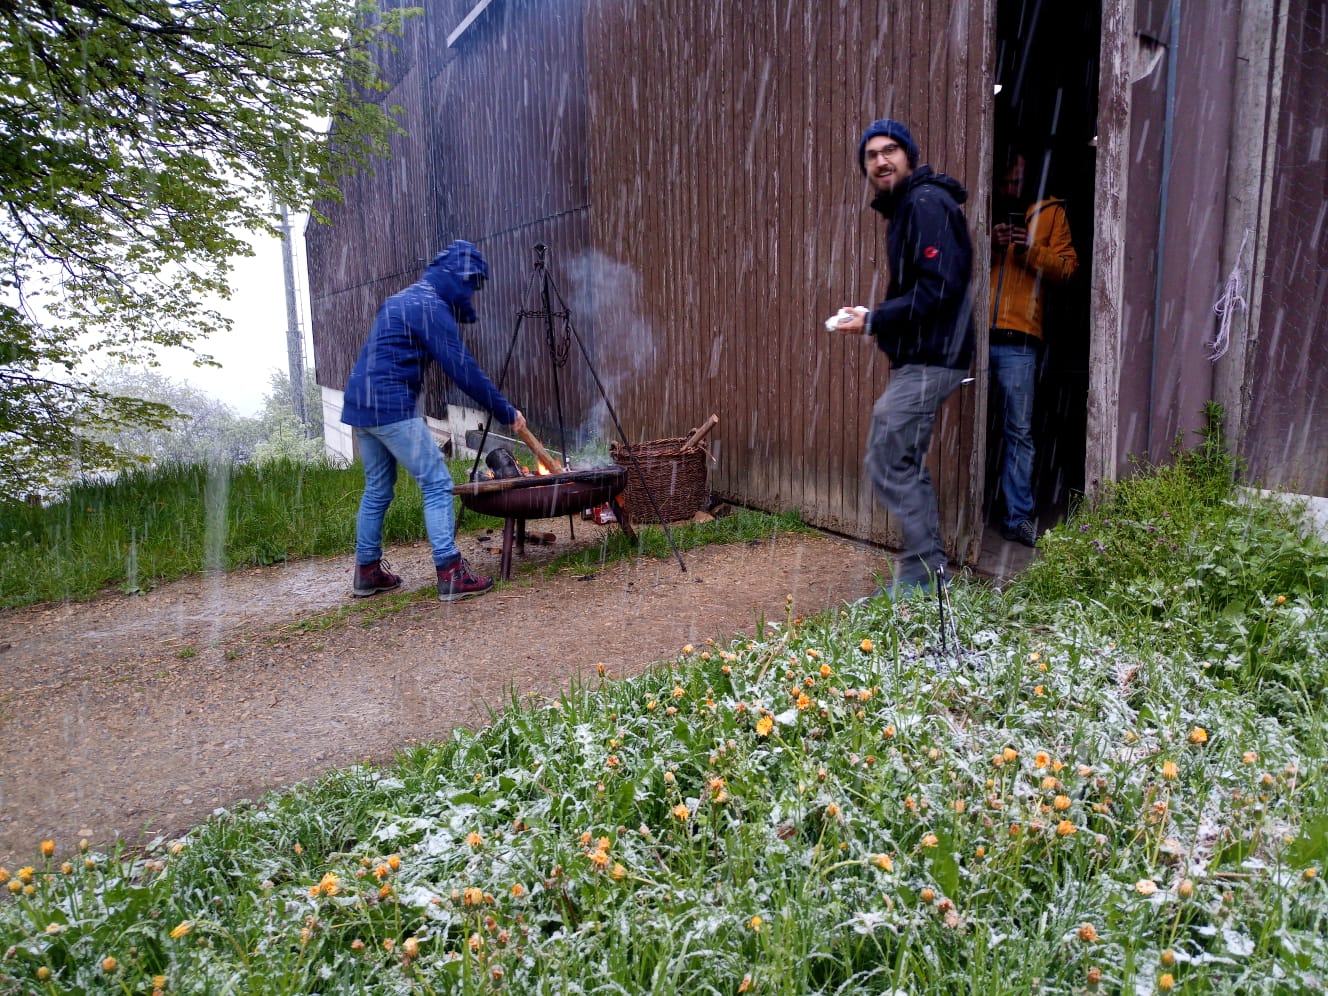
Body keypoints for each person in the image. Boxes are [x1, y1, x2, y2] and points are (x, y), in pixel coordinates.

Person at [831, 118, 976, 599]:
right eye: (871, 155)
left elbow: (939, 287)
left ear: (908, 156)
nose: (881, 160)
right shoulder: (909, 207)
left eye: (890, 150)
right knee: (901, 456)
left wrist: (875, 319)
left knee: (889, 454)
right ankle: (926, 574)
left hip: (935, 356)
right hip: (926, 354)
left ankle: (925, 577)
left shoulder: (924, 204)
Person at [341, 239, 527, 601]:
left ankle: (367, 571)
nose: (470, 294)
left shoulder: (404, 299)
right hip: (391, 406)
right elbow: (464, 371)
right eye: (470, 285)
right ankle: (451, 572)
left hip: (360, 405)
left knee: (378, 487)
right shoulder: (429, 307)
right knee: (438, 482)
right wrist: (506, 411)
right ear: (457, 277)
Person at [988, 149, 1078, 547]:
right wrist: (990, 243)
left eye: (1018, 181)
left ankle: (1017, 518)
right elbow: (954, 262)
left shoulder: (1052, 213)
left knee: (1018, 432)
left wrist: (1029, 249)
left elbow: (1068, 270)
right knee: (965, 426)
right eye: (1007, 181)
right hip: (975, 336)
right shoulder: (982, 207)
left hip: (1021, 341)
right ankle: (960, 511)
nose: (1012, 188)